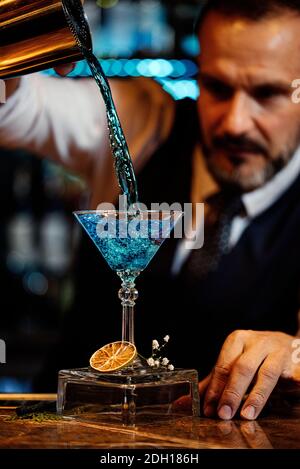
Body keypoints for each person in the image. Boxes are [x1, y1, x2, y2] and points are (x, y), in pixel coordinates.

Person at [1, 0, 300, 421]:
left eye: (267, 93)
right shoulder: (143, 119)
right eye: (215, 87)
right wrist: (10, 32)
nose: (235, 122)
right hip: (62, 428)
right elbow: (12, 110)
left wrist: (295, 351)